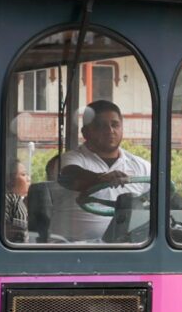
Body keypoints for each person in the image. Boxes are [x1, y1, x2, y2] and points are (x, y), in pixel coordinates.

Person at [52, 100, 151, 243]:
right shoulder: (70, 159)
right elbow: (71, 176)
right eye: (100, 126)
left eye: (115, 125)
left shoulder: (141, 166)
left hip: (126, 249)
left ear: (122, 128)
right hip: (71, 249)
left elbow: (164, 193)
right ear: (85, 132)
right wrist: (102, 178)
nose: (110, 131)